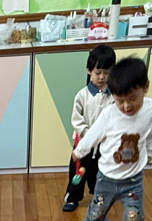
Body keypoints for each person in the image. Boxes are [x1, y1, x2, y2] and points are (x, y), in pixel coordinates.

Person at [72, 56, 152, 221]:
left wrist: (149, 151)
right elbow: (93, 135)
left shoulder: (150, 109)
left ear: (145, 87)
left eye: (132, 98)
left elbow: (149, 132)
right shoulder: (109, 114)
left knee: (135, 217)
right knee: (97, 211)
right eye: (120, 101)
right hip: (107, 179)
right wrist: (79, 151)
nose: (126, 106)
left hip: (133, 180)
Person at [63, 44, 116, 212]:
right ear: (89, 71)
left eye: (106, 73)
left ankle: (98, 198)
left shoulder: (113, 97)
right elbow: (77, 120)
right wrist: (89, 135)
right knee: (78, 172)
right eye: (97, 72)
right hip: (83, 144)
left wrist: (105, 136)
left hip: (103, 145)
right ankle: (72, 198)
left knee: (99, 175)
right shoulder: (82, 95)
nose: (102, 77)